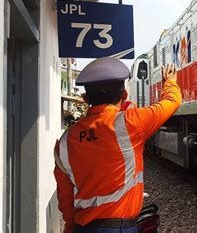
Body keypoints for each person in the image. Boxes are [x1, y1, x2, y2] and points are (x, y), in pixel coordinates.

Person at [54, 58, 182, 233]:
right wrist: (170, 82)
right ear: (124, 95)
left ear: (85, 99)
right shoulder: (130, 123)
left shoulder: (66, 141)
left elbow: (65, 196)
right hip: (120, 228)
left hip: (82, 227)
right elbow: (172, 101)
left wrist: (70, 226)